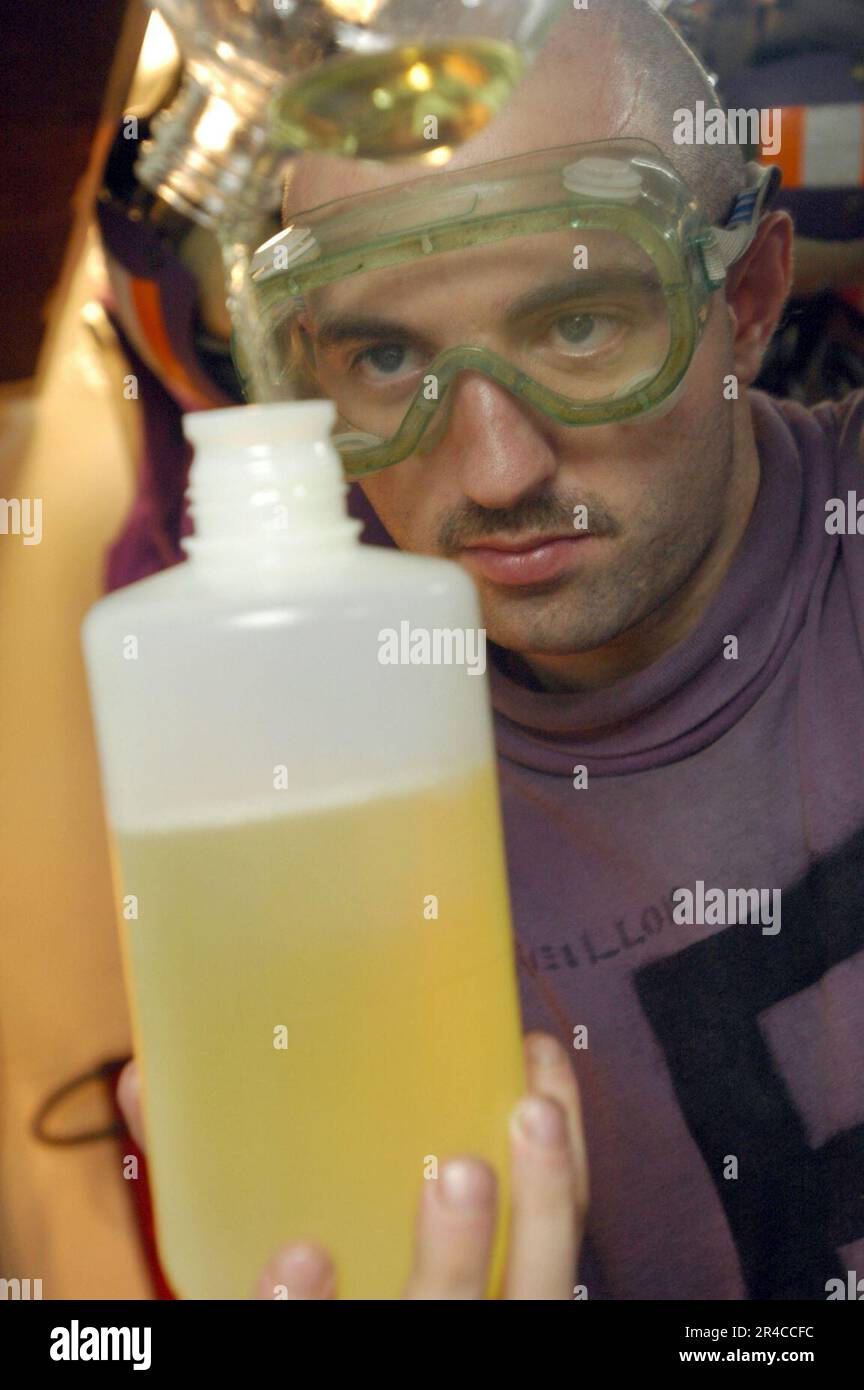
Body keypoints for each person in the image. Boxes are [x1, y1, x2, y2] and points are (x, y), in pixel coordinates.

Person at [121, 0, 864, 1300]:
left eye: (579, 326)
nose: (500, 467)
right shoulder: (286, 800)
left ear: (743, 301)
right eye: (387, 354)